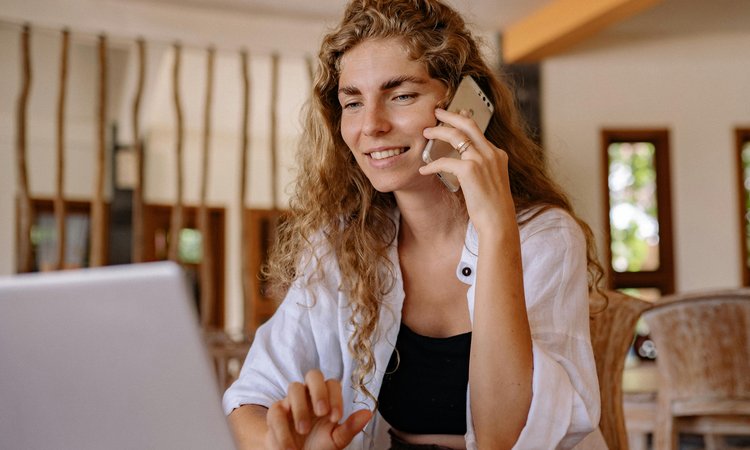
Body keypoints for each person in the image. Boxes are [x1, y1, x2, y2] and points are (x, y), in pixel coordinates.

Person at [223, 0, 605, 448]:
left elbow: (503, 436)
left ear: (466, 106)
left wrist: (497, 228)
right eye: (352, 102)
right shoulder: (342, 242)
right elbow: (250, 400)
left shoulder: (544, 235)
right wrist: (280, 445)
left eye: (401, 95)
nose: (372, 126)